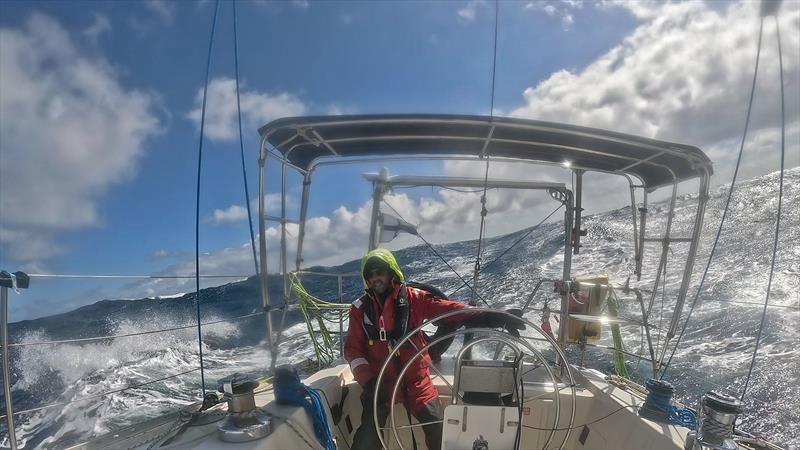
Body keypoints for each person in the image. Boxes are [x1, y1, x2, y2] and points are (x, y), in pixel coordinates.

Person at [344, 248, 524, 450]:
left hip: (417, 382)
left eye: (380, 272)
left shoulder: (413, 298)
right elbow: (353, 351)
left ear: (392, 272)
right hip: (380, 385)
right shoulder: (359, 310)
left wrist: (492, 316)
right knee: (367, 437)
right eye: (370, 274)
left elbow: (449, 311)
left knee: (439, 429)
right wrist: (369, 382)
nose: (375, 277)